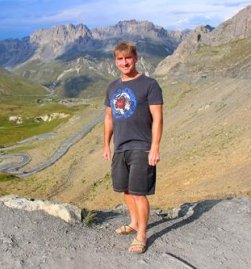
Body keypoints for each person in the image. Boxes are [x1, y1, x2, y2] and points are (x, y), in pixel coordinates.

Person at [103, 41, 163, 254]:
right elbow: (109, 117)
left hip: (142, 146)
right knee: (126, 190)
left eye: (128, 57)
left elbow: (157, 118)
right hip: (120, 147)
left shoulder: (149, 84)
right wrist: (106, 144)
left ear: (135, 58)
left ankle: (142, 235)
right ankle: (134, 222)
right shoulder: (112, 87)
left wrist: (155, 147)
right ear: (115, 61)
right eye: (120, 58)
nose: (124, 62)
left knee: (139, 193)